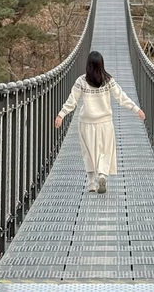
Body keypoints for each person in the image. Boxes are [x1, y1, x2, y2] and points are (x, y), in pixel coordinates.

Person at [54, 50, 146, 193]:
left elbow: (72, 101)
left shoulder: (81, 81)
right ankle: (102, 174)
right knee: (105, 150)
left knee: (88, 151)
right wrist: (136, 109)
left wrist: (61, 115)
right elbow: (121, 97)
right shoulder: (108, 80)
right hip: (105, 122)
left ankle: (91, 183)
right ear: (102, 64)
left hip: (86, 122)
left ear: (88, 65)